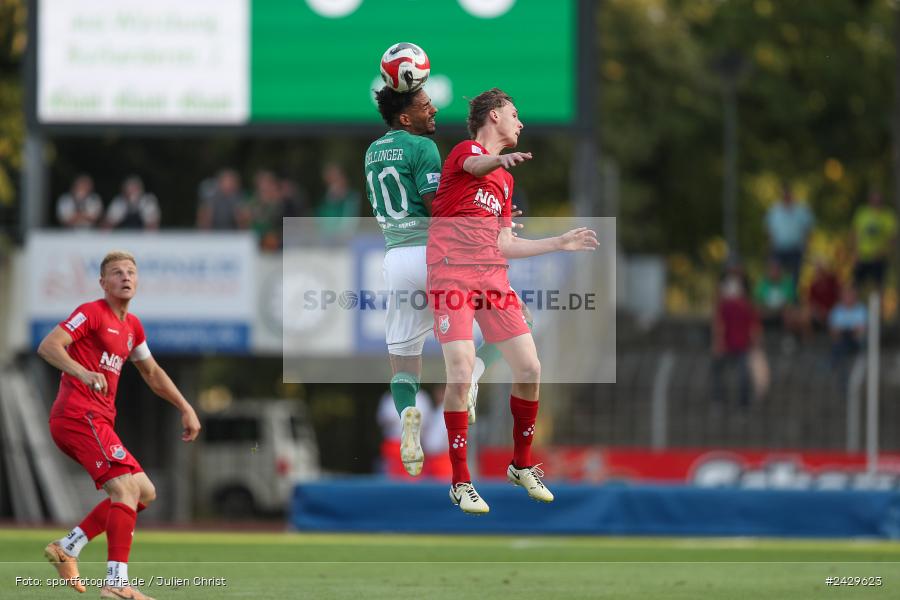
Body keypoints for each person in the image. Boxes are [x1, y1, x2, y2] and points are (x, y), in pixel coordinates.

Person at [426, 88, 598, 513]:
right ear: (495, 115)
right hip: (451, 274)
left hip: (492, 279)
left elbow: (504, 243)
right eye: (515, 115)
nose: (520, 124)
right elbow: (474, 163)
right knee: (461, 370)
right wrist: (497, 160)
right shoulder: (467, 153)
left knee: (530, 368)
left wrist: (558, 242)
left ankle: (521, 465)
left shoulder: (505, 180)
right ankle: (461, 480)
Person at [363, 86, 530, 479]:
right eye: (425, 105)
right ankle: (472, 377)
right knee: (506, 322)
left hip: (395, 257)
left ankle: (408, 414)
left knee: (403, 363)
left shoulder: (372, 152)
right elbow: (442, 204)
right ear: (406, 117)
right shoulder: (424, 149)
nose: (433, 109)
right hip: (437, 256)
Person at [38, 250, 201, 600]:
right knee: (125, 491)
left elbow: (153, 373)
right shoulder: (91, 313)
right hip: (78, 416)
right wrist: (81, 372)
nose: (125, 277)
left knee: (145, 491)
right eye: (116, 272)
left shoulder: (132, 326)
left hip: (97, 421)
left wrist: (185, 406)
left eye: (130, 272)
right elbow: (49, 346)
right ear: (103, 282)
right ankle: (115, 584)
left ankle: (68, 547)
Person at [712, 270, 761, 409]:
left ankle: (719, 400)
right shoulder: (748, 306)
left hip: (731, 345)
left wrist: (718, 344)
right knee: (742, 375)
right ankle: (742, 402)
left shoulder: (725, 306)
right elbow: (755, 329)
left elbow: (719, 326)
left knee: (721, 372)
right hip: (741, 345)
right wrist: (755, 345)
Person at [764, 183, 814, 289]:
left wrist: (807, 246)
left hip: (795, 248)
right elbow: (770, 231)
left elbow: (808, 230)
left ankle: (793, 298)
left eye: (788, 195)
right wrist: (770, 246)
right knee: (776, 274)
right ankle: (777, 299)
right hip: (778, 248)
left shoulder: (802, 210)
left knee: (795, 276)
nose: (786, 197)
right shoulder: (774, 210)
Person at [850, 189, 897, 292]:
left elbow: (892, 238)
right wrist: (855, 253)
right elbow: (855, 233)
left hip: (879, 257)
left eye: (878, 198)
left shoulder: (887, 215)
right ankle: (858, 306)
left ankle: (876, 307)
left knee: (878, 286)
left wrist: (884, 252)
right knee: (856, 284)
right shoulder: (862, 213)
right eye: (873, 198)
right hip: (862, 256)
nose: (876, 201)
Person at [316, 162, 360, 241]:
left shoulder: (351, 197)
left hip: (343, 239)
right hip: (326, 237)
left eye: (335, 179)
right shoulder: (327, 198)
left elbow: (349, 221)